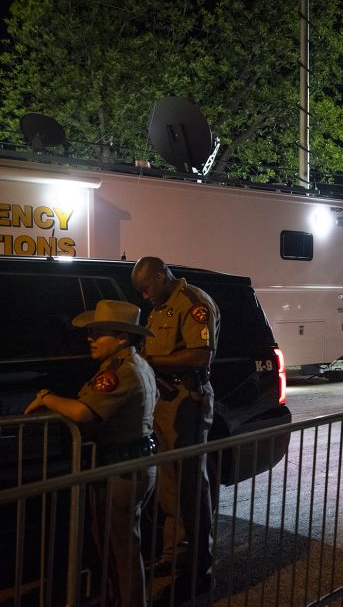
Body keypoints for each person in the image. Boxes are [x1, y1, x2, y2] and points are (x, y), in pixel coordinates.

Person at [25, 300, 157, 607]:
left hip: (122, 468)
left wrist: (47, 398)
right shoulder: (135, 364)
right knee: (118, 547)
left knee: (120, 550)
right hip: (129, 463)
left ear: (122, 338)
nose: (91, 338)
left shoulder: (120, 373)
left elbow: (83, 413)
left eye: (99, 333)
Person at [130, 256, 219, 596]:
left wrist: (149, 361)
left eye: (146, 288)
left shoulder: (193, 304)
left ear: (161, 275)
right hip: (165, 401)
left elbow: (200, 355)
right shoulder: (160, 306)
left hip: (188, 399)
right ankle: (175, 555)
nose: (144, 296)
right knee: (169, 485)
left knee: (190, 486)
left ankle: (199, 567)